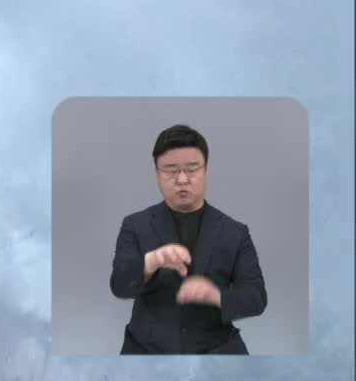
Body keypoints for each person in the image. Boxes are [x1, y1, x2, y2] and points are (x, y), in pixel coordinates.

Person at [108, 123, 268, 353]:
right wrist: (152, 261)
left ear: (206, 170)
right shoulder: (134, 225)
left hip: (217, 349)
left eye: (192, 169)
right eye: (171, 170)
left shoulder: (236, 232)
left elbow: (257, 297)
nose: (182, 179)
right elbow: (120, 287)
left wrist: (217, 296)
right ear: (157, 173)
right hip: (145, 349)